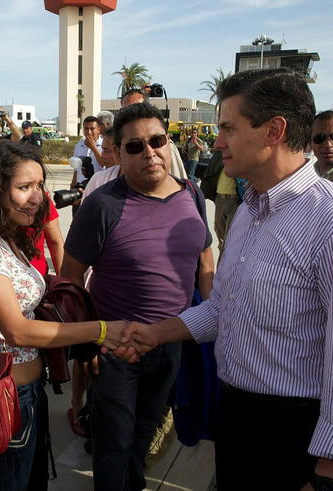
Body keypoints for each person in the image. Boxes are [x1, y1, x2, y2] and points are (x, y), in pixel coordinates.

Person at [130, 68, 333, 491]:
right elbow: (223, 307)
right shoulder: (248, 212)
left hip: (295, 437)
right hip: (236, 419)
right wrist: (154, 334)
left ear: (273, 131)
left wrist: (330, 476)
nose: (218, 142)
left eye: (229, 128)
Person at [0, 141, 141, 491]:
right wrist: (100, 330)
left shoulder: (7, 237)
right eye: (24, 187)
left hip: (27, 390)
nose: (37, 197)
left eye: (39, 185)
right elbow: (18, 331)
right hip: (7, 396)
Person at [61, 102, 214, 490]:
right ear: (118, 153)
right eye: (135, 146)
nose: (150, 153)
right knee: (113, 446)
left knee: (144, 435)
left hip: (170, 344)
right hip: (117, 351)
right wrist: (88, 344)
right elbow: (71, 278)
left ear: (168, 143)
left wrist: (210, 321)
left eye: (157, 141)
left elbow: (205, 262)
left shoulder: (191, 195)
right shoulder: (102, 205)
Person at [120, 88, 188, 180]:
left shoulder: (165, 146)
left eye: (138, 108)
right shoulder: (120, 146)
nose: (149, 153)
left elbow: (178, 183)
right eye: (126, 110)